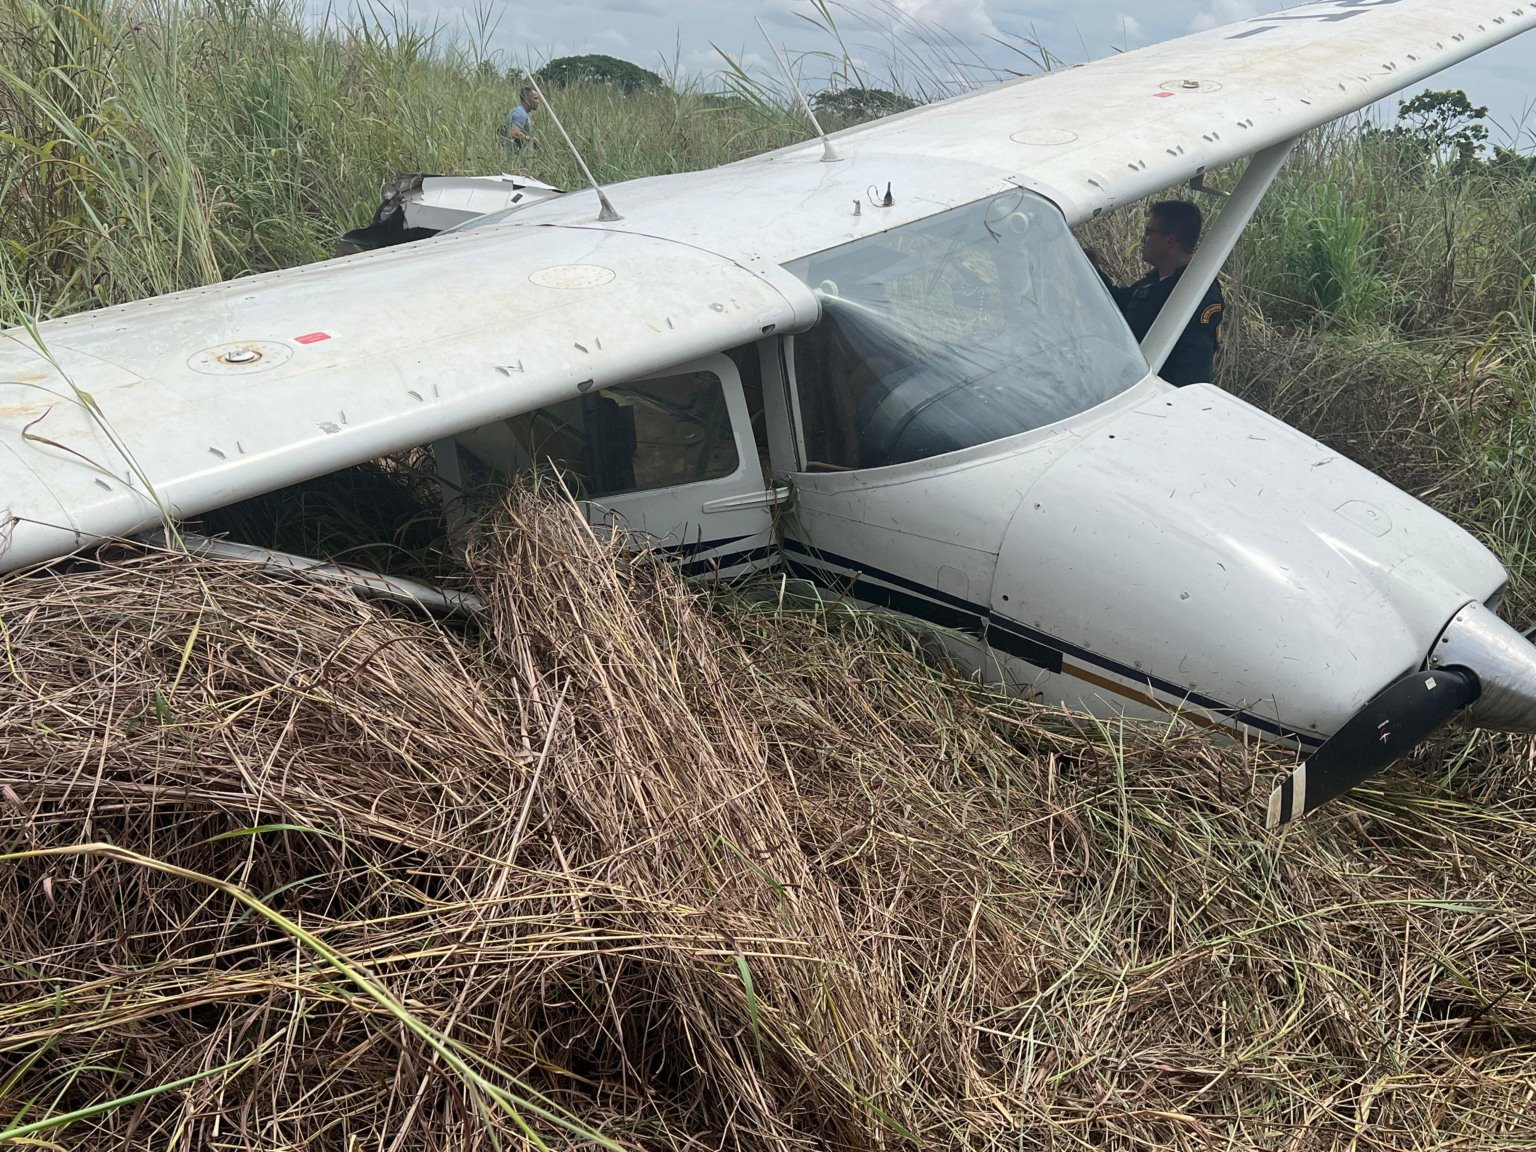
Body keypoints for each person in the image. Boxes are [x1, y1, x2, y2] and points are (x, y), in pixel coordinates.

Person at [1092, 200, 1223, 387]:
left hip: (1155, 396)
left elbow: (1192, 369)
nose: (1142, 240)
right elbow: (1119, 304)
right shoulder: (1157, 280)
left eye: (1149, 232)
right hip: (1127, 382)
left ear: (1169, 240)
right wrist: (1090, 268)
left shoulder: (1197, 293)